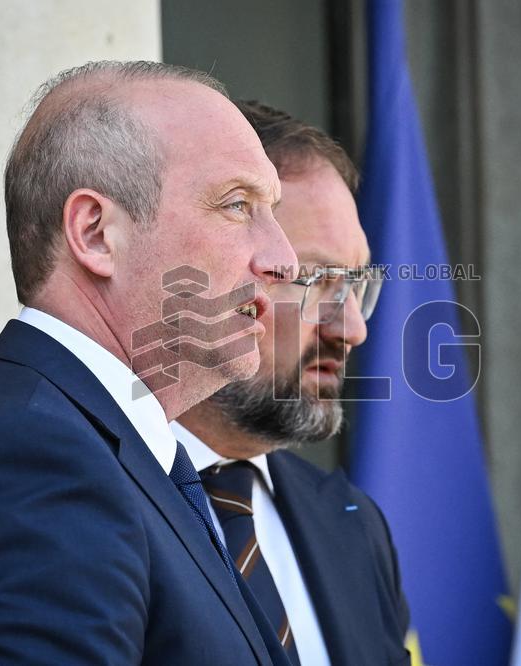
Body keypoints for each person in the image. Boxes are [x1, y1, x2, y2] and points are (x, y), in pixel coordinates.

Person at [0, 61, 300, 665]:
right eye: (236, 204)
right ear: (94, 234)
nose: (284, 258)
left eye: (271, 209)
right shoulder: (33, 456)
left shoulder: (84, 442)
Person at [173, 101, 411, 666]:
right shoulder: (90, 494)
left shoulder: (355, 526)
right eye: (317, 281)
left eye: (356, 286)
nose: (351, 328)